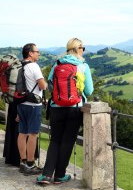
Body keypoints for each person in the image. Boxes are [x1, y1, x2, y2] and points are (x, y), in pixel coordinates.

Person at [36, 38, 93, 185]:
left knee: (55, 140)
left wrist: (60, 96)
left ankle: (46, 175)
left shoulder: (57, 63)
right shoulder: (83, 66)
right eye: (83, 48)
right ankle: (60, 175)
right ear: (77, 49)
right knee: (67, 142)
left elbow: (49, 84)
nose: (83, 50)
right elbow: (89, 90)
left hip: (56, 107)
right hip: (75, 109)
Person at [17, 43, 47, 175]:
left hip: (21, 104)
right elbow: (42, 86)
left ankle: (23, 162)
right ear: (30, 53)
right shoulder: (34, 66)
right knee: (33, 134)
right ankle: (30, 164)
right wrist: (45, 83)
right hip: (34, 105)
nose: (38, 54)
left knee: (22, 133)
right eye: (37, 51)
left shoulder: (20, 65)